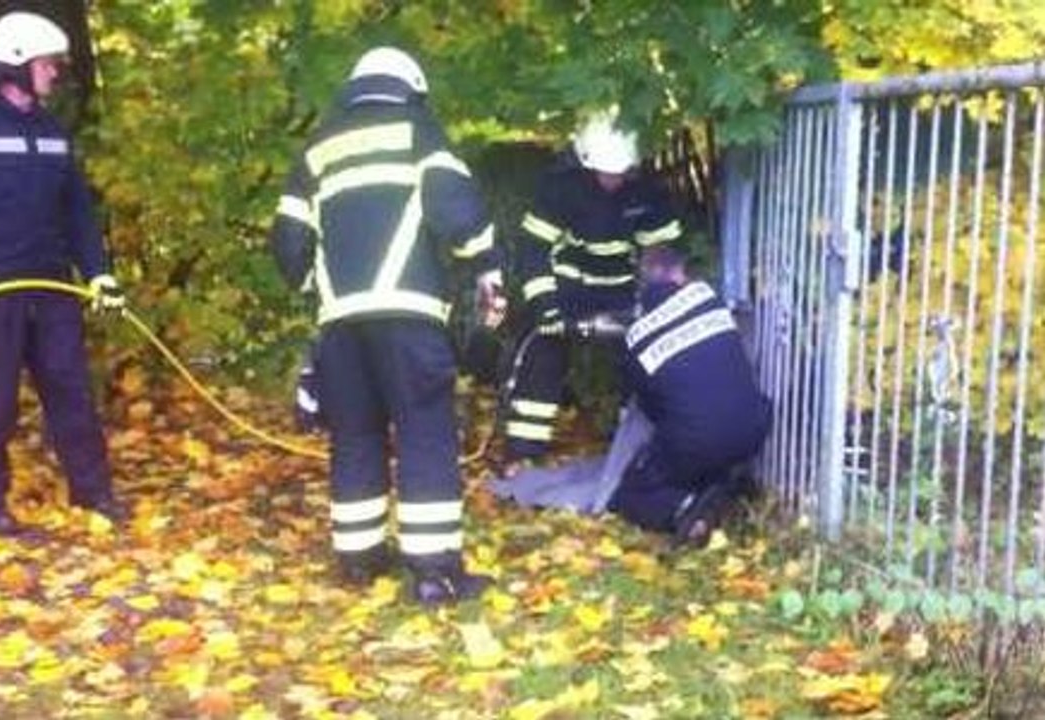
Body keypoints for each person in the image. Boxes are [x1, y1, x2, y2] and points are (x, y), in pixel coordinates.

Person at [270, 47, 506, 605]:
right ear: (411, 87)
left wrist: (315, 286)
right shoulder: (417, 132)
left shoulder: (318, 147)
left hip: (341, 326)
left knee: (355, 433)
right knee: (425, 432)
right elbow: (460, 214)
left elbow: (288, 243)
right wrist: (485, 264)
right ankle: (434, 572)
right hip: (408, 316)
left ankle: (359, 557)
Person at [0, 12, 127, 536]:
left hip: (53, 288)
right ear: (15, 64)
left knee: (72, 392)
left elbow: (77, 212)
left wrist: (98, 274)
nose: (55, 72)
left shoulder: (53, 133)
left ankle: (94, 494)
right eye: (47, 63)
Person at [505, 108, 684, 466]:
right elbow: (533, 250)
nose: (612, 179)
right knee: (542, 354)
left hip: (621, 292)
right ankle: (524, 452)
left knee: (643, 363)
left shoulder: (647, 193)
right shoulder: (561, 189)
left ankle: (636, 449)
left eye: (620, 173)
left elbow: (662, 256)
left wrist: (658, 307)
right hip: (567, 290)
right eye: (605, 172)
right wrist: (546, 308)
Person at [609, 247, 771, 547]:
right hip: (754, 426)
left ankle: (687, 513)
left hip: (696, 442)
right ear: (679, 274)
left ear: (642, 282)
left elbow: (652, 408)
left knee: (629, 492)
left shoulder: (636, 338)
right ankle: (728, 486)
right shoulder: (708, 299)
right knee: (701, 449)